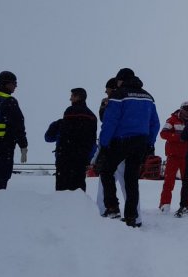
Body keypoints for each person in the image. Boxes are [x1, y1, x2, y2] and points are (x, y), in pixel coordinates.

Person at [99, 68, 160, 228]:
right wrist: (149, 143)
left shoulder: (118, 95)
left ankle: (112, 207)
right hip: (140, 142)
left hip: (121, 140)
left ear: (122, 80)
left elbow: (110, 121)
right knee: (131, 180)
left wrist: (104, 144)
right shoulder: (148, 96)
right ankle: (131, 217)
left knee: (106, 171)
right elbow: (155, 124)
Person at [93, 77, 140, 224]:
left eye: (107, 89)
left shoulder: (117, 99)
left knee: (109, 178)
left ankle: (109, 210)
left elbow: (107, 120)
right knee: (127, 182)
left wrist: (105, 144)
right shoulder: (127, 99)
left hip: (115, 144)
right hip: (128, 143)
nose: (105, 92)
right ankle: (132, 215)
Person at [49, 88, 97, 191]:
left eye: (72, 96)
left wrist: (61, 151)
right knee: (78, 187)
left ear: (78, 97)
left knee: (62, 187)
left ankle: (63, 205)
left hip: (66, 156)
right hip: (82, 157)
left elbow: (65, 133)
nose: (70, 99)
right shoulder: (92, 116)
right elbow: (92, 139)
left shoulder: (70, 111)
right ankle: (79, 205)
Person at [158, 101, 188, 213]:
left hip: (187, 157)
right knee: (169, 181)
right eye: (186, 108)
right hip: (173, 156)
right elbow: (163, 134)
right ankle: (165, 204)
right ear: (181, 109)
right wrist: (179, 137)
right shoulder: (172, 120)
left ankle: (187, 205)